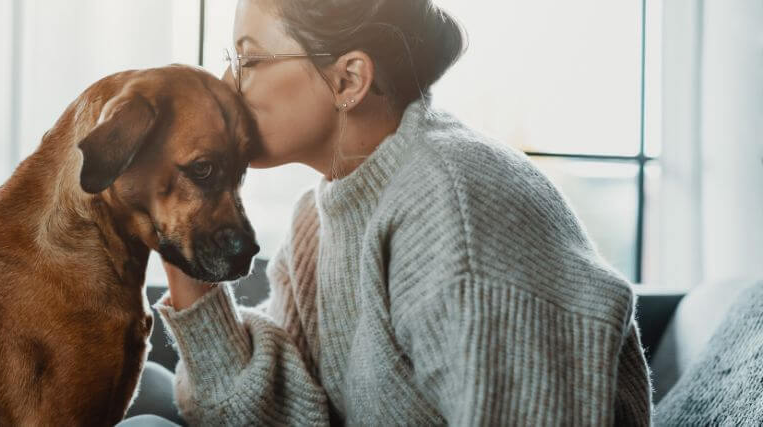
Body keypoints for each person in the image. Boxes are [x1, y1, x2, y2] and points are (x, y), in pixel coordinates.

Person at [122, 0, 651, 425]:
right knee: (143, 392)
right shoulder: (318, 217)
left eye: (250, 60)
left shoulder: (457, 202)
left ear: (349, 80)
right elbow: (273, 415)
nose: (224, 85)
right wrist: (181, 225)